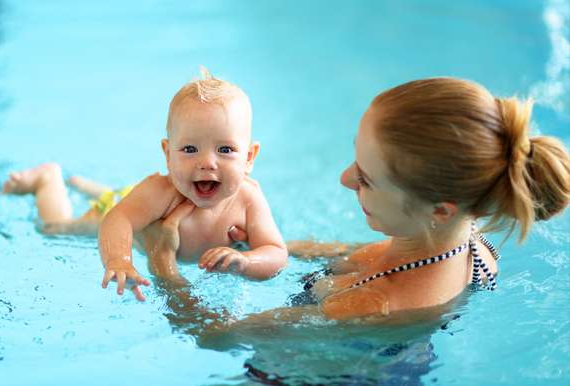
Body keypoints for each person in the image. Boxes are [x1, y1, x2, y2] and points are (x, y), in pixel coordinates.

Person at [151, 77, 570, 323]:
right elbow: (361, 255)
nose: (345, 178)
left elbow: (216, 337)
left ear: (441, 209)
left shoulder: (370, 305)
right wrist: (260, 248)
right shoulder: (467, 238)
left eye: (366, 178)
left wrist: (163, 264)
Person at [2, 68, 288, 301]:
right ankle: (47, 180)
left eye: (225, 150)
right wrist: (118, 259)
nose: (207, 163)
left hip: (140, 203)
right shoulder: (162, 191)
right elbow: (118, 218)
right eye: (190, 149)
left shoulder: (249, 198)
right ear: (167, 154)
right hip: (125, 204)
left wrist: (246, 262)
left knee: (135, 201)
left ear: (249, 157)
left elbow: (275, 252)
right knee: (57, 229)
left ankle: (90, 186)